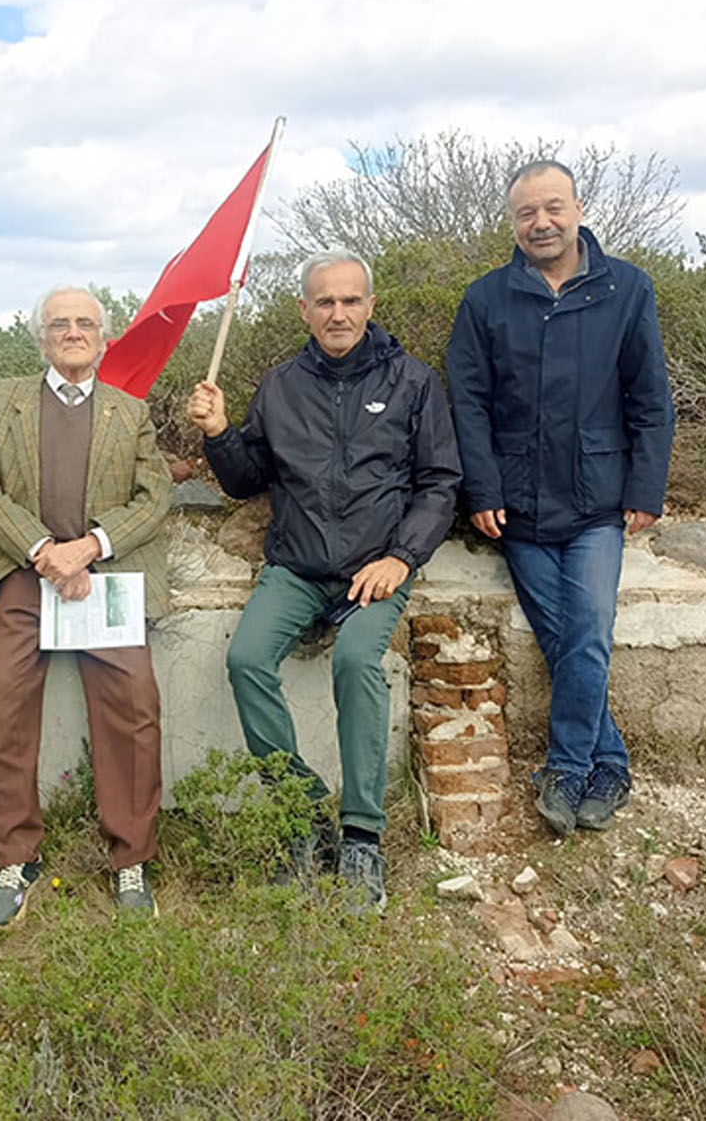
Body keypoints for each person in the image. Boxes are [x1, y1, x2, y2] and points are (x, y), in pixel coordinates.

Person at [188, 251, 461, 915]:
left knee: (355, 661)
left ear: (370, 306)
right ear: (304, 310)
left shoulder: (413, 382)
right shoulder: (280, 385)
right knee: (246, 657)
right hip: (298, 566)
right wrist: (221, 432)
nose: (338, 313)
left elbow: (441, 482)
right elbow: (248, 478)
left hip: (376, 567)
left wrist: (402, 556)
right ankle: (301, 816)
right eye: (324, 302)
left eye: (350, 301)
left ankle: (362, 834)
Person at [446, 160, 674, 836]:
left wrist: (645, 488)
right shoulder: (485, 299)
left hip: (599, 504)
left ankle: (570, 766)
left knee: (588, 631)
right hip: (515, 507)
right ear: (512, 221)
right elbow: (469, 403)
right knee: (565, 636)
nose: (540, 222)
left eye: (552, 207)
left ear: (577, 207)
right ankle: (613, 762)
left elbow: (650, 398)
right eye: (526, 212)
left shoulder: (626, 288)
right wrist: (481, 488)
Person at [0, 287, 173, 926]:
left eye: (86, 322)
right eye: (61, 323)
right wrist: (44, 552)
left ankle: (130, 857)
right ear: (42, 338)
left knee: (134, 706)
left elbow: (155, 494)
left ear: (104, 336)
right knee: (4, 699)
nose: (73, 331)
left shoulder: (130, 412)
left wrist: (89, 547)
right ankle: (15, 855)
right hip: (27, 576)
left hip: (103, 576)